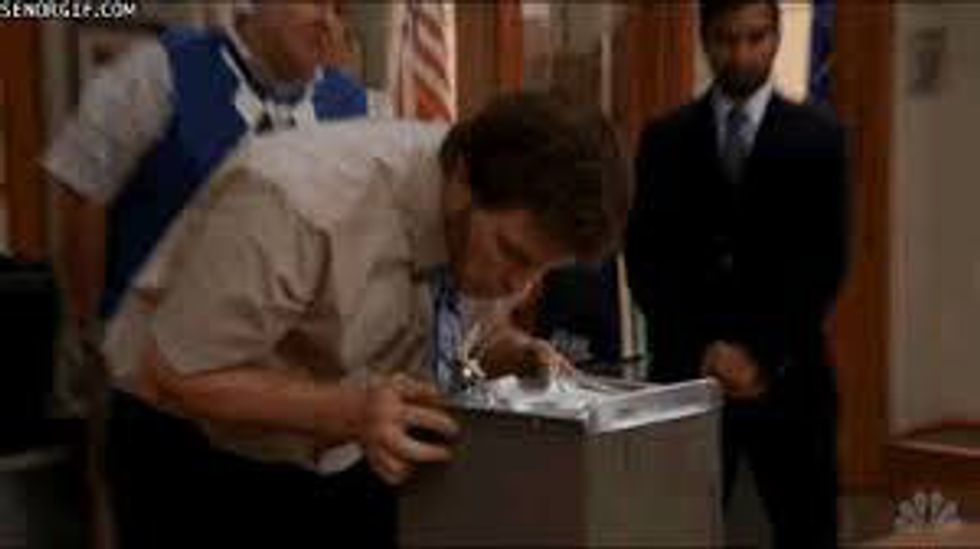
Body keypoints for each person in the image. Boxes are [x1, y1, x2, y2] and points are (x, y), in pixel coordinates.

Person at [100, 93, 630, 547]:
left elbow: (467, 327)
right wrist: (349, 411)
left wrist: (513, 353)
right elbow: (178, 373)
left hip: (346, 445)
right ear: (462, 180)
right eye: (512, 255)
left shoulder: (491, 211)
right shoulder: (298, 201)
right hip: (193, 447)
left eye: (542, 270)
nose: (519, 287)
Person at [625, 0, 848, 546]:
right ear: (705, 39)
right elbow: (648, 261)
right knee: (675, 532)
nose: (743, 54)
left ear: (775, 36)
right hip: (688, 377)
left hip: (788, 375)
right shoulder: (665, 138)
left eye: (756, 38)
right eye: (728, 39)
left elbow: (824, 263)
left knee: (807, 529)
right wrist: (704, 351)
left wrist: (760, 355)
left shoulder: (818, 136)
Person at [44, 2, 377, 337]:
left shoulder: (356, 109)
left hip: (281, 355)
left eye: (340, 11)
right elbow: (83, 195)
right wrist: (89, 330)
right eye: (316, 3)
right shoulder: (160, 70)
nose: (328, 22)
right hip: (148, 346)